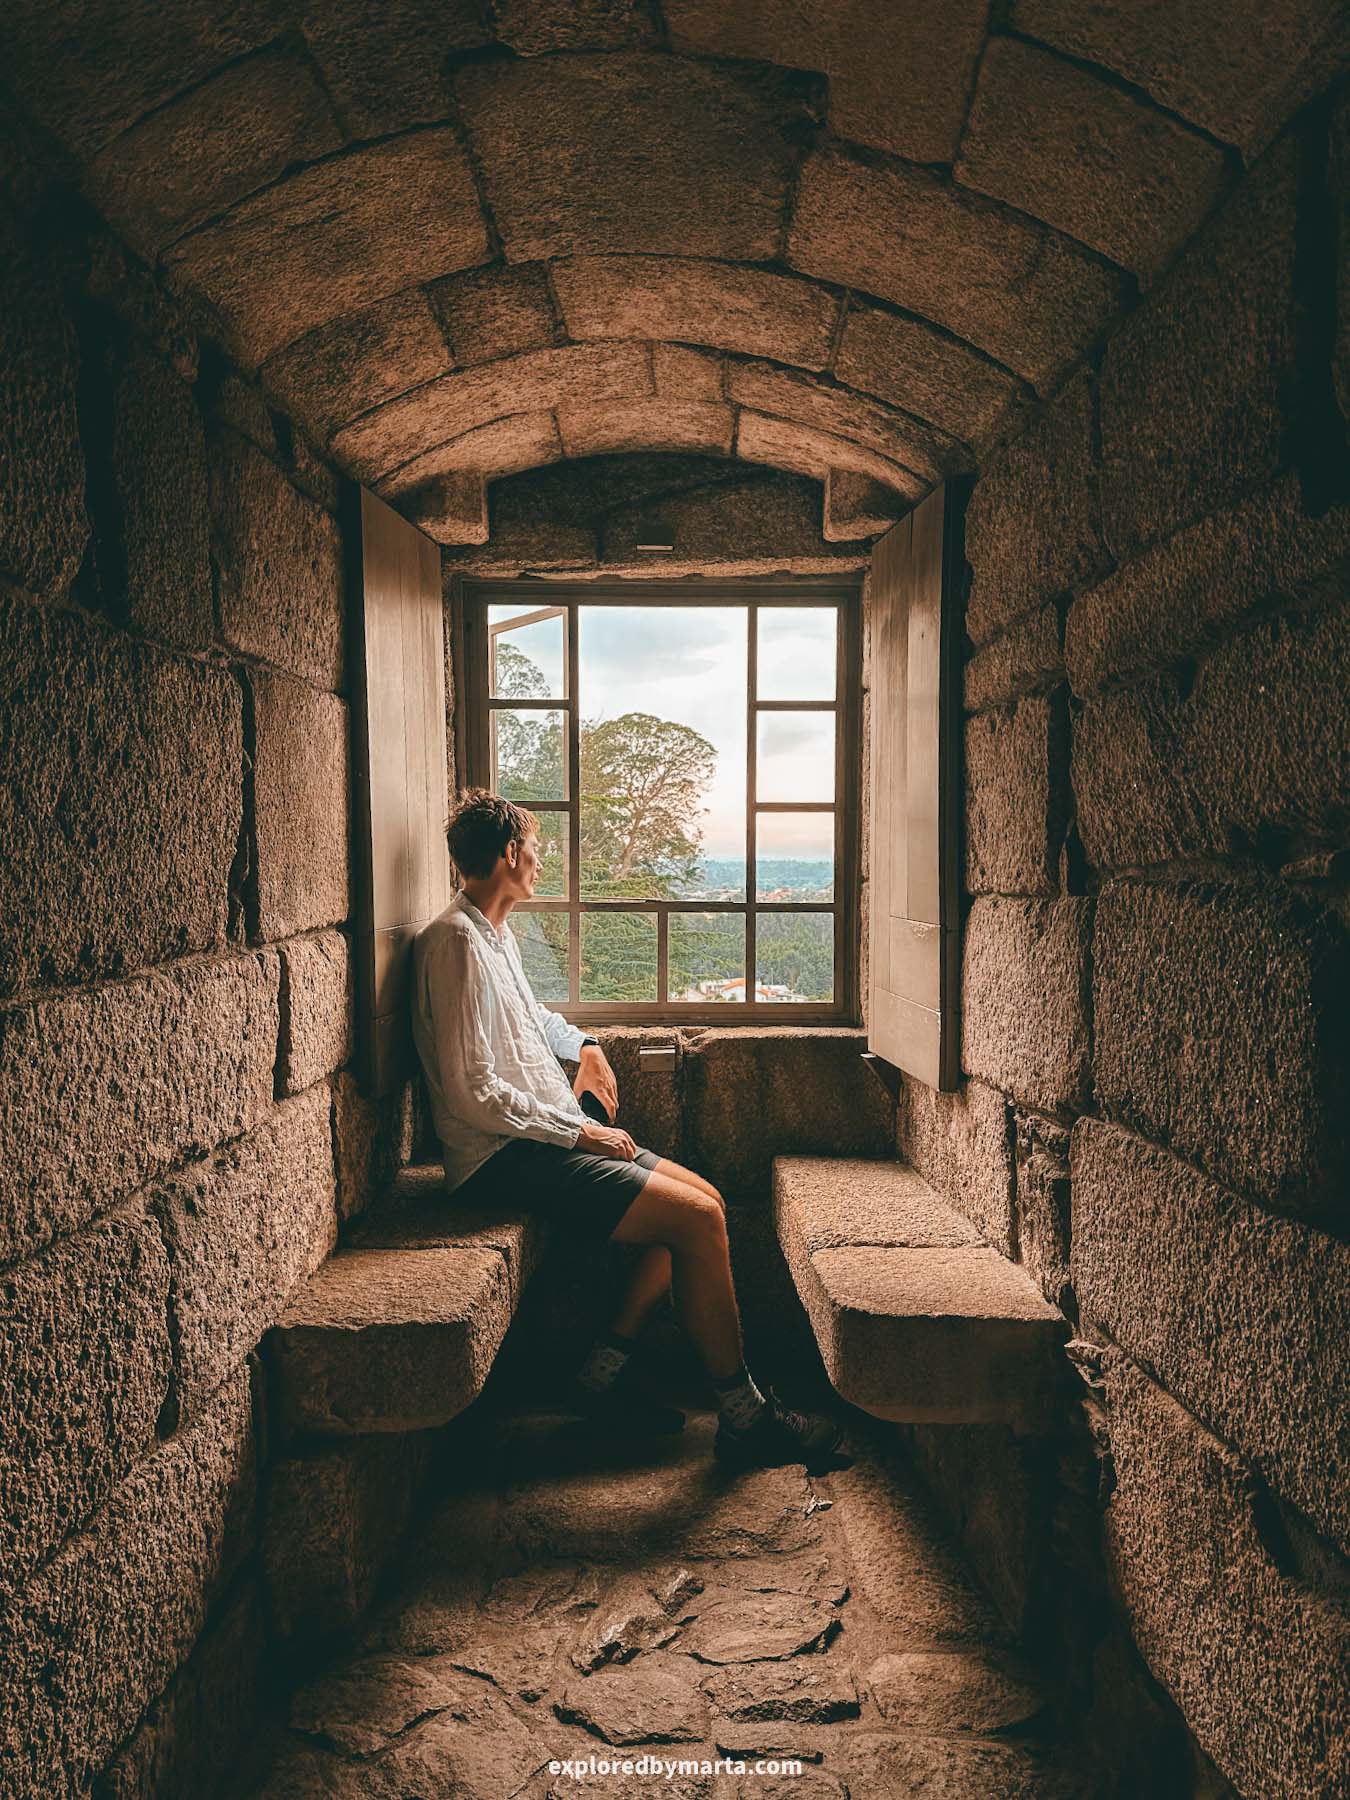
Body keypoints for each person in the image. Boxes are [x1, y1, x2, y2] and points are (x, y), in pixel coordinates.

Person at [411, 788, 845, 1471]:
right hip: (503, 1156)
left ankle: (600, 1378)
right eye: (535, 848)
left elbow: (533, 1021)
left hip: (540, 1139)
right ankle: (745, 1416)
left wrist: (585, 1044)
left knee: (707, 1204)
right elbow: (474, 1095)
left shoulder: (494, 935)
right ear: (510, 853)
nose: (541, 861)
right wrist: (579, 1135)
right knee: (695, 1222)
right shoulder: (454, 944)